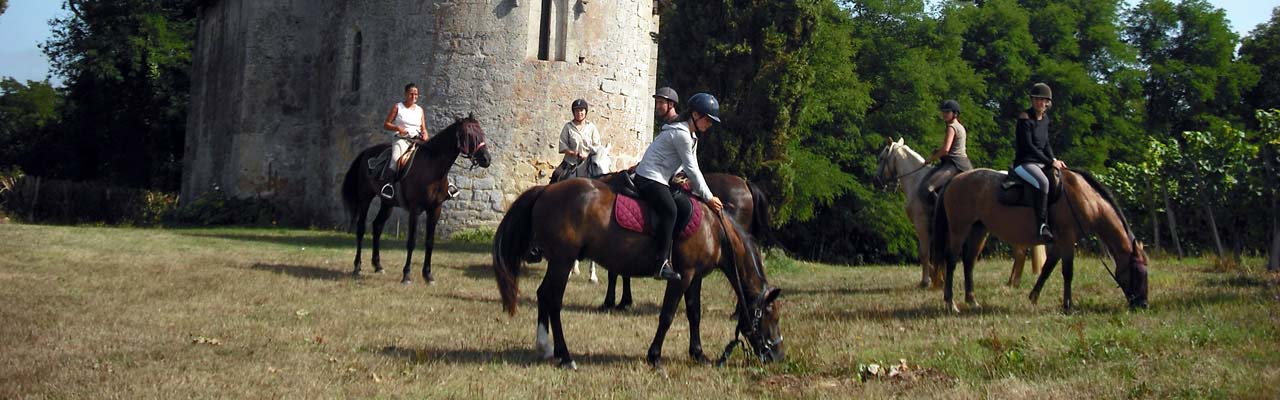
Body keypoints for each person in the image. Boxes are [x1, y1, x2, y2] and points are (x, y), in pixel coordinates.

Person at [634, 92, 725, 281]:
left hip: (662, 178)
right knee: (670, 211)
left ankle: (672, 249)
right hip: (649, 177)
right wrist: (708, 197)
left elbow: (690, 168)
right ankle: (660, 264)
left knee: (685, 206)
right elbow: (692, 169)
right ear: (696, 115)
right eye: (708, 120)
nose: (709, 125)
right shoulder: (681, 135)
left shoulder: (690, 135)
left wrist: (696, 188)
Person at [1014, 82, 1067, 242]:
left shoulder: (1045, 119)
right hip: (1025, 163)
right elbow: (1029, 147)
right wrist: (1049, 162)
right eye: (1037, 99)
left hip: (1041, 162)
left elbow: (1046, 144)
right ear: (1032, 100)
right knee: (1044, 183)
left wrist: (1054, 160)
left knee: (1061, 179)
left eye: (1043, 100)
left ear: (1048, 103)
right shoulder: (1025, 118)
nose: (1040, 103)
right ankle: (1041, 225)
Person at [920, 99, 973, 204]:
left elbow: (946, 150)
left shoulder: (951, 127)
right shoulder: (960, 126)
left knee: (928, 187)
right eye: (943, 112)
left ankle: (938, 215)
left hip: (955, 164)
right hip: (962, 162)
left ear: (955, 113)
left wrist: (930, 159)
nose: (944, 114)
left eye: (947, 112)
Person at [380, 83, 427, 200]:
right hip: (402, 139)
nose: (414, 96)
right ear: (406, 94)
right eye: (411, 93)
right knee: (395, 159)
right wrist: (397, 128)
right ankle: (389, 185)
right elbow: (386, 124)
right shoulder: (398, 107)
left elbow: (423, 128)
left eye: (416, 94)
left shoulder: (420, 110)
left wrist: (425, 134)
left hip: (417, 139)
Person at [550, 99, 602, 183]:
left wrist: (586, 156)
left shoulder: (592, 127)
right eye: (576, 111)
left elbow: (597, 147)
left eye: (581, 110)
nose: (579, 113)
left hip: (587, 163)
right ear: (573, 112)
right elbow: (563, 145)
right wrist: (573, 153)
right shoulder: (568, 127)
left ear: (585, 112)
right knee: (556, 174)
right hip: (570, 163)